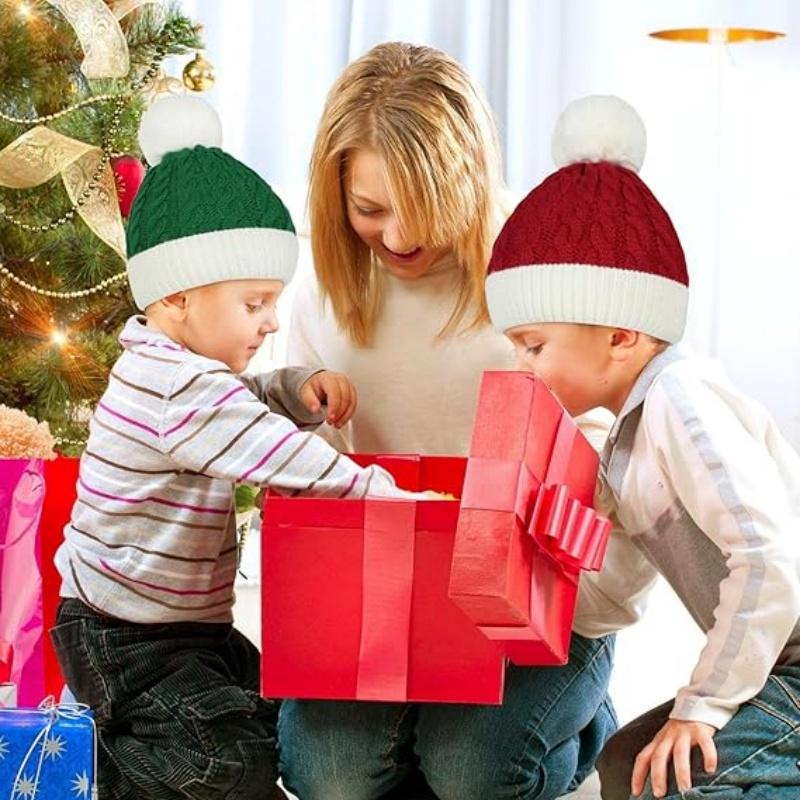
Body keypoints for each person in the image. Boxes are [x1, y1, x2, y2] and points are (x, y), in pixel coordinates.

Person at [50, 95, 426, 800]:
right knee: (231, 765)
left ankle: (134, 736)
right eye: (253, 304)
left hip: (182, 626)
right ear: (177, 298)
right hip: (125, 636)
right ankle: (93, 767)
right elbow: (277, 454)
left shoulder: (176, 372)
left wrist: (291, 388)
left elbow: (238, 406)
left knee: (276, 718)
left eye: (272, 302)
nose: (271, 321)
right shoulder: (176, 387)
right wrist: (384, 495)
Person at [279, 43, 618, 800]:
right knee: (326, 776)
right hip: (385, 587)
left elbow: (602, 444)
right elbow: (311, 466)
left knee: (471, 776)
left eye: (423, 208)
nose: (399, 237)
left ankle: (584, 721)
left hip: (526, 591)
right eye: (370, 210)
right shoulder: (325, 292)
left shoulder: (540, 266)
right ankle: (423, 738)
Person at [484, 94, 800, 800]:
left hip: (793, 663)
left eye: (534, 345)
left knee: (677, 780)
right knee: (625, 764)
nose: (521, 367)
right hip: (776, 666)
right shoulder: (625, 447)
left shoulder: (681, 403)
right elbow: (611, 600)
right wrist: (532, 563)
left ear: (621, 335)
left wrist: (702, 705)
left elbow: (768, 555)